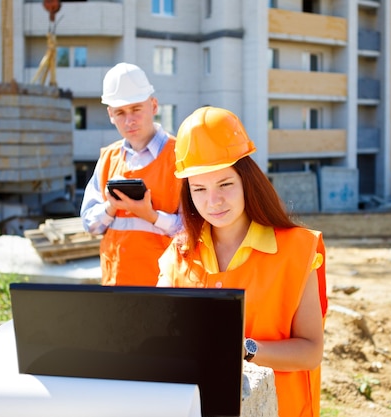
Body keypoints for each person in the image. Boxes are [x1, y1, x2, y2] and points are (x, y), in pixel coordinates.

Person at [157, 106, 328, 417]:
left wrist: (246, 350)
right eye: (199, 189)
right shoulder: (177, 256)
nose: (213, 201)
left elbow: (310, 351)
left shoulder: (297, 250)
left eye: (225, 184)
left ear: (246, 181)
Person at [80, 62, 182, 286]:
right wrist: (111, 207)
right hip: (116, 287)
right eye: (120, 112)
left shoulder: (180, 156)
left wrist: (151, 216)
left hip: (164, 288)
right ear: (110, 114)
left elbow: (196, 231)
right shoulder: (108, 158)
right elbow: (89, 225)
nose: (129, 120)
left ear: (153, 106)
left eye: (136, 109)